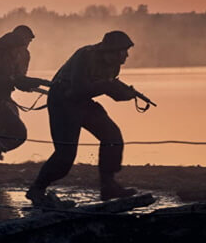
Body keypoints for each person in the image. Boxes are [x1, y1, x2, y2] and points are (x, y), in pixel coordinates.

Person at [26, 30, 139, 207]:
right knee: (65, 155)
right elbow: (79, 89)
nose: (126, 55)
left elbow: (107, 91)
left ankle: (108, 185)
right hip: (62, 100)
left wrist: (126, 94)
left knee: (112, 136)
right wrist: (106, 86)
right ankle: (37, 189)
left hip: (82, 102)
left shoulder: (113, 65)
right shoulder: (85, 56)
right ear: (111, 51)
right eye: (123, 51)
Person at [0, 25, 49, 178]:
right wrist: (10, 81)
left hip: (4, 100)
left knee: (18, 134)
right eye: (20, 44)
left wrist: (32, 83)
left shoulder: (23, 55)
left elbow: (19, 78)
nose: (23, 47)